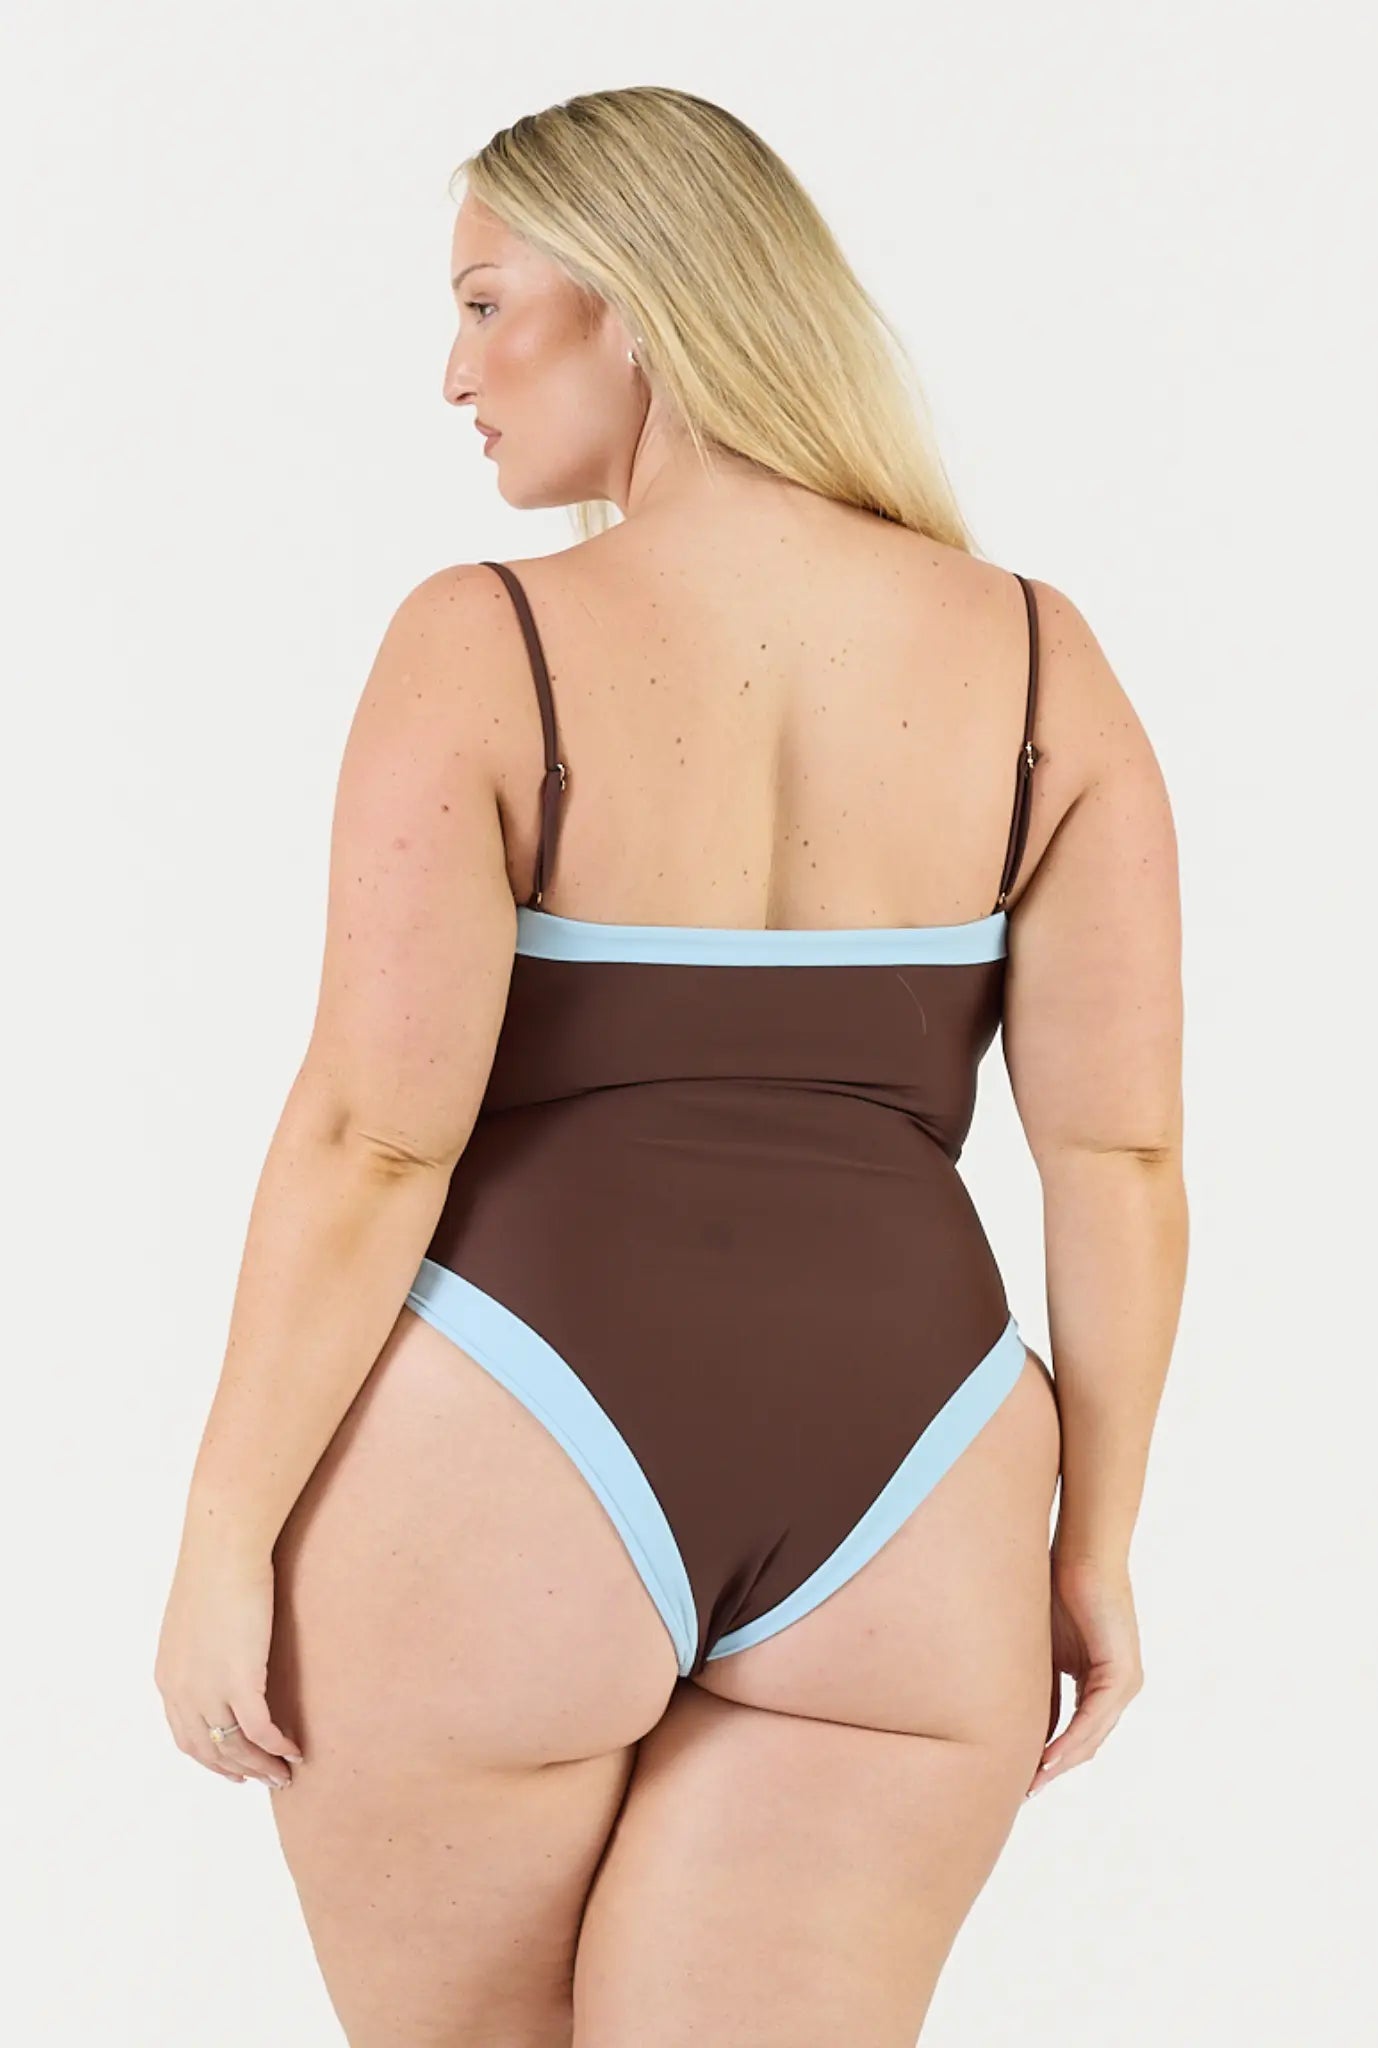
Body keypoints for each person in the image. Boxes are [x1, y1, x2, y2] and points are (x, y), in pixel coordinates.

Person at [154, 85, 1186, 2048]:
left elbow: (375, 1138)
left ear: (633, 305)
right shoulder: (1041, 659)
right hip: (919, 1479)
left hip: (507, 1442)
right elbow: (1118, 1156)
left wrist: (223, 1531)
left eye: (483, 302)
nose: (453, 372)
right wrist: (1094, 1542)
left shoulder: (485, 639)